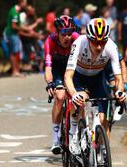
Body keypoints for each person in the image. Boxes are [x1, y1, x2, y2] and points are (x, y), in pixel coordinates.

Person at [64, 18, 126, 155]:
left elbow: (118, 77)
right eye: (95, 42)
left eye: (102, 42)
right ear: (88, 38)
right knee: (80, 100)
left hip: (97, 78)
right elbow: (68, 76)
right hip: (79, 78)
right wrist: (74, 94)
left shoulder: (111, 46)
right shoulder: (79, 43)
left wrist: (120, 91)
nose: (99, 47)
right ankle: (73, 134)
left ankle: (103, 157)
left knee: (104, 119)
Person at [44, 16, 80, 154]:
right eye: (63, 34)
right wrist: (50, 83)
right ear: (57, 33)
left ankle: (76, 133)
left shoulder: (77, 39)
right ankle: (55, 139)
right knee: (59, 96)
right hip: (58, 69)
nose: (67, 37)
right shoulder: (50, 41)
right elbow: (48, 68)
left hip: (73, 69)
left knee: (78, 97)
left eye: (70, 32)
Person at [5, 0, 29, 77]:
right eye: (25, 2)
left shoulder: (17, 11)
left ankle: (16, 71)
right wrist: (23, 29)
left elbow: (18, 25)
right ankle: (15, 71)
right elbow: (14, 26)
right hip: (11, 34)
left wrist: (26, 28)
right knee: (14, 53)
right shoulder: (14, 11)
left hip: (14, 34)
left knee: (15, 52)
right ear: (21, 2)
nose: (26, 4)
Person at [19, 5, 43, 71]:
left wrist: (37, 35)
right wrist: (37, 22)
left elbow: (31, 30)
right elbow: (27, 28)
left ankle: (36, 63)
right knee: (28, 48)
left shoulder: (30, 18)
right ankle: (26, 64)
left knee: (36, 45)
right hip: (22, 36)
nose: (33, 11)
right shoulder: (22, 16)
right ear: (28, 10)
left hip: (28, 36)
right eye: (32, 10)